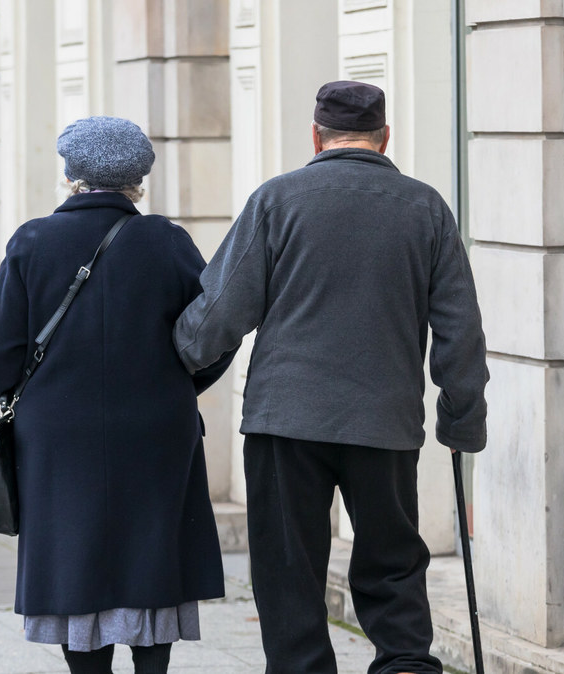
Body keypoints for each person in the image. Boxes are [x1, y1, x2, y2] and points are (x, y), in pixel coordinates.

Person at [173, 81, 490, 674]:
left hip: (284, 421)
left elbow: (217, 316)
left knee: (287, 567)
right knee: (393, 562)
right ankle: (405, 666)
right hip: (386, 421)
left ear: (316, 137)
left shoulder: (277, 200)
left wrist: (176, 359)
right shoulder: (425, 208)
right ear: (384, 137)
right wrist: (462, 421)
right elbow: (460, 330)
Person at [0, 116, 233, 674]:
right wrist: (179, 386)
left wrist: (23, 391)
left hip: (58, 432)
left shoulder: (34, 240)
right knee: (153, 555)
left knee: (73, 555)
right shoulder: (168, 241)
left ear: (72, 175)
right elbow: (215, 332)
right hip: (157, 426)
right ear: (138, 178)